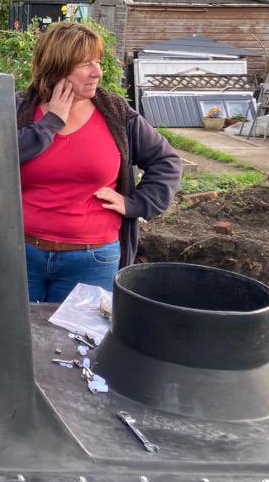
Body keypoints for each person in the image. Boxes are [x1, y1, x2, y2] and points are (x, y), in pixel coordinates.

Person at [16, 22, 180, 303]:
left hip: (91, 260)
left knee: (81, 342)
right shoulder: (18, 110)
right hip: (18, 255)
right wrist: (50, 123)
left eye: (98, 62)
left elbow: (166, 162)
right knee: (17, 341)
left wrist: (135, 204)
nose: (98, 72)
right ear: (57, 66)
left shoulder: (115, 114)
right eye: (85, 64)